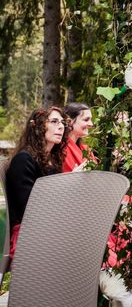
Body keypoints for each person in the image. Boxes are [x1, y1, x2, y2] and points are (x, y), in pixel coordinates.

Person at [6, 107, 68, 258]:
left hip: (48, 228)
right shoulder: (24, 160)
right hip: (29, 235)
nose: (61, 126)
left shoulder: (52, 160)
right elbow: (28, 210)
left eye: (62, 122)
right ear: (38, 127)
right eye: (54, 121)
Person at [62, 102, 97, 172]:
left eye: (91, 120)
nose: (91, 124)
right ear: (69, 122)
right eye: (86, 120)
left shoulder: (85, 148)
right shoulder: (60, 149)